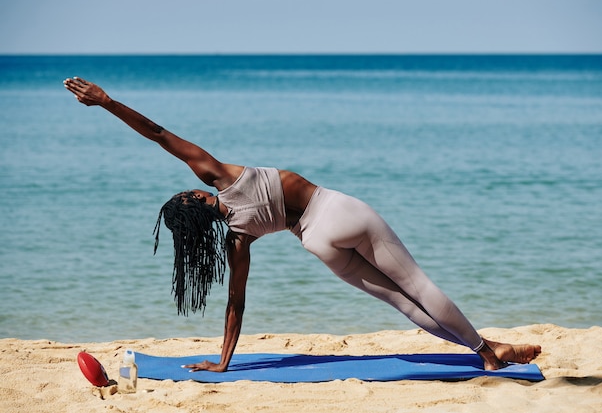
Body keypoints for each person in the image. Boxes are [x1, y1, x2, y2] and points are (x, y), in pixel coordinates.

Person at [64, 77, 541, 373]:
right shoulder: (216, 175)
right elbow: (158, 134)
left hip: (316, 242)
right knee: (415, 283)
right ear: (193, 197)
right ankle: (483, 349)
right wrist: (106, 101)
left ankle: (489, 347)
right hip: (334, 211)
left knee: (401, 302)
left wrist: (224, 361)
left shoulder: (237, 239)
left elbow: (236, 304)